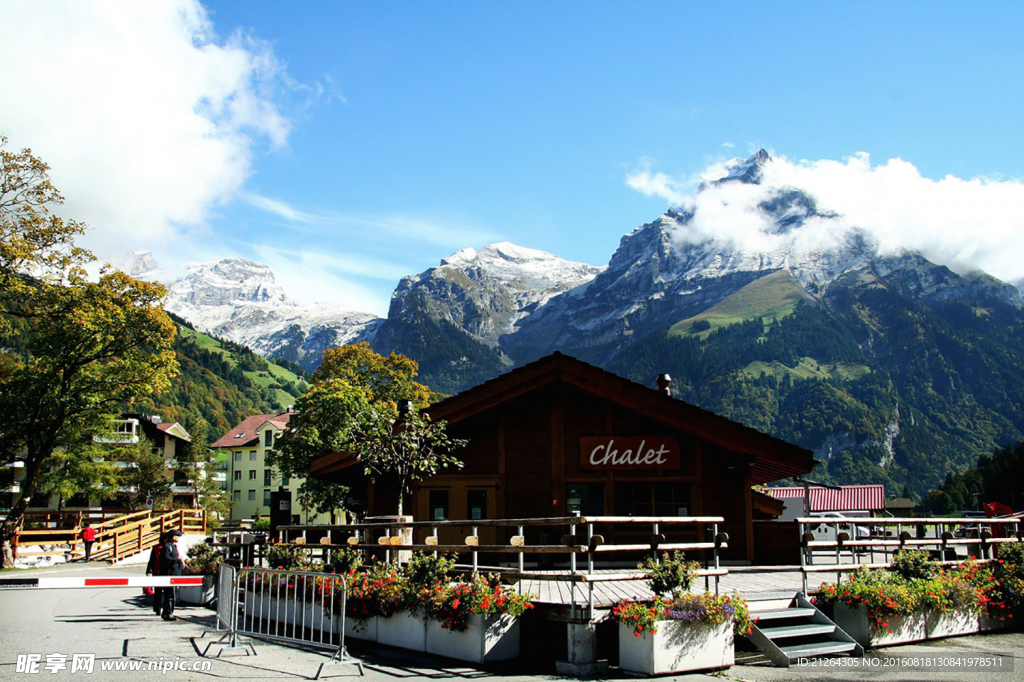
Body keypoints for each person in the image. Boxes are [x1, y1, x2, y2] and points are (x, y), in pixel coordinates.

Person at [155, 530, 185, 621]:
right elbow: (166, 559)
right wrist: (177, 559)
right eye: (176, 536)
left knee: (172, 595)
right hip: (170, 574)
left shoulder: (173, 546)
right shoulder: (167, 547)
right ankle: (167, 613)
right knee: (170, 595)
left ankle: (168, 612)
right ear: (172, 537)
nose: (178, 538)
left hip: (175, 573)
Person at [146, 533, 165, 614]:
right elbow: (152, 559)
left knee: (164, 592)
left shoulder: (169, 547)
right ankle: (157, 608)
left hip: (164, 572)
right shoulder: (156, 548)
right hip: (157, 571)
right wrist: (148, 570)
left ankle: (162, 607)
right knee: (158, 591)